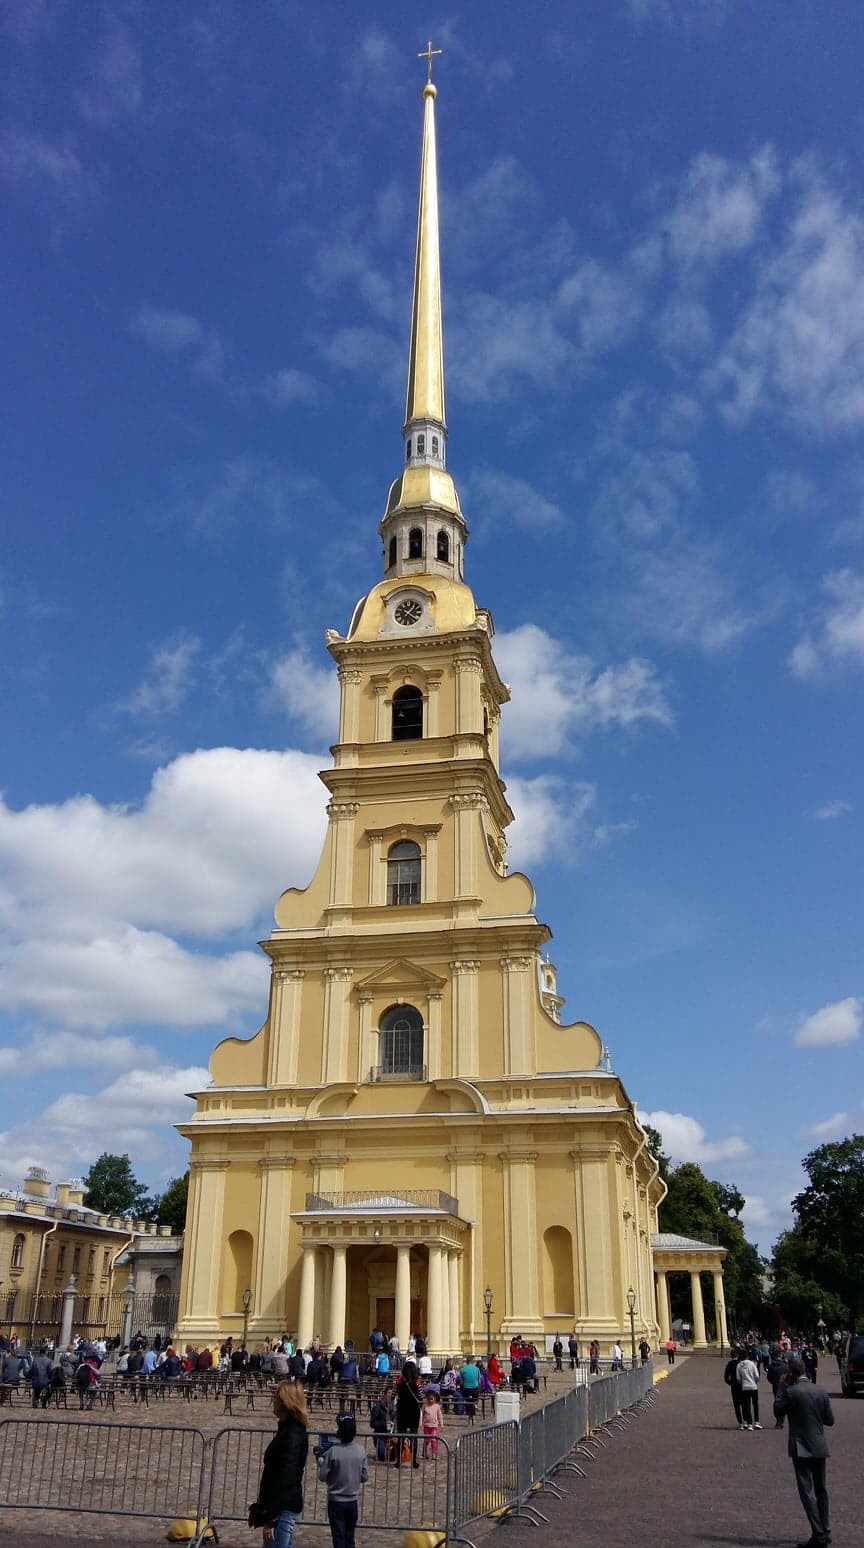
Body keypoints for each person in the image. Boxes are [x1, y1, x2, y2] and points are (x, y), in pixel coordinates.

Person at [773, 1355, 833, 1548]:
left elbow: (777, 1411)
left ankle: (818, 1534)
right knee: (821, 1490)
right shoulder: (820, 1391)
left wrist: (782, 1388)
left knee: (807, 1491)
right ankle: (825, 1529)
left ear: (790, 1372)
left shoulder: (791, 1392)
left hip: (800, 1447)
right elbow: (830, 1420)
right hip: (819, 1444)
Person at [253, 1380, 309, 1548]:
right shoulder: (288, 1430)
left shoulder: (292, 1435)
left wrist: (270, 1516)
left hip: (281, 1508)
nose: (273, 1401)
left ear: (285, 1402)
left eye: (276, 1397)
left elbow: (285, 1478)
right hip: (279, 1506)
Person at [316, 1412, 368, 1548]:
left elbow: (322, 1476)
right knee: (349, 1538)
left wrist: (320, 1462)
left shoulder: (333, 1451)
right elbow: (364, 1476)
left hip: (336, 1501)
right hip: (352, 1501)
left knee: (338, 1537)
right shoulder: (360, 1451)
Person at [394, 1361, 423, 1467]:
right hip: (413, 1412)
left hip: (402, 1411)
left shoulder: (398, 1382)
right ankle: (414, 1461)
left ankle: (398, 1461)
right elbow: (421, 1398)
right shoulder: (417, 1383)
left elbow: (393, 1394)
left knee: (401, 1436)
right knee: (413, 1436)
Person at [736, 1348, 762, 1430]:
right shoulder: (752, 1364)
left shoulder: (739, 1365)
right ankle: (757, 1422)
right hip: (753, 1386)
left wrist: (742, 1383)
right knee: (755, 1404)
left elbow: (738, 1378)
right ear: (747, 1356)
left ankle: (749, 1423)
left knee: (747, 1405)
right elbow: (757, 1376)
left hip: (745, 1387)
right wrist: (755, 1381)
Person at [370, 1384, 394, 1460]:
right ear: (384, 1394)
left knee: (394, 1457)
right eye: (389, 1393)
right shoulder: (377, 1407)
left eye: (392, 1393)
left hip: (392, 1434)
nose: (391, 1395)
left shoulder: (394, 1408)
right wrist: (385, 1424)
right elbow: (372, 1423)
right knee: (382, 1455)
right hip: (380, 1434)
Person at [767, 1348, 789, 1429]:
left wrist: (774, 1382)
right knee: (784, 1403)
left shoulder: (771, 1366)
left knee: (777, 1402)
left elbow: (769, 1377)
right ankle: (781, 1419)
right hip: (785, 1386)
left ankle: (778, 1420)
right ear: (780, 1355)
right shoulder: (785, 1365)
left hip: (776, 1386)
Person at [724, 1347, 745, 1428]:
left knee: (736, 1405)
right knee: (744, 1404)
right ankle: (746, 1421)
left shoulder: (729, 1364)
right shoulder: (741, 1363)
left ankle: (740, 1423)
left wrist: (730, 1383)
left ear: (731, 1356)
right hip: (743, 1385)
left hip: (734, 1386)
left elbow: (726, 1378)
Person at [421, 1388, 444, 1459]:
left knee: (433, 1440)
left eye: (432, 1399)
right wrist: (421, 1424)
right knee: (427, 1440)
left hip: (434, 1426)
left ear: (435, 1399)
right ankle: (424, 1452)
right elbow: (421, 1415)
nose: (430, 1400)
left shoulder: (437, 1406)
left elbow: (440, 1416)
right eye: (429, 1399)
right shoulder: (425, 1406)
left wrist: (441, 1424)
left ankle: (434, 1454)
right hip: (426, 1426)